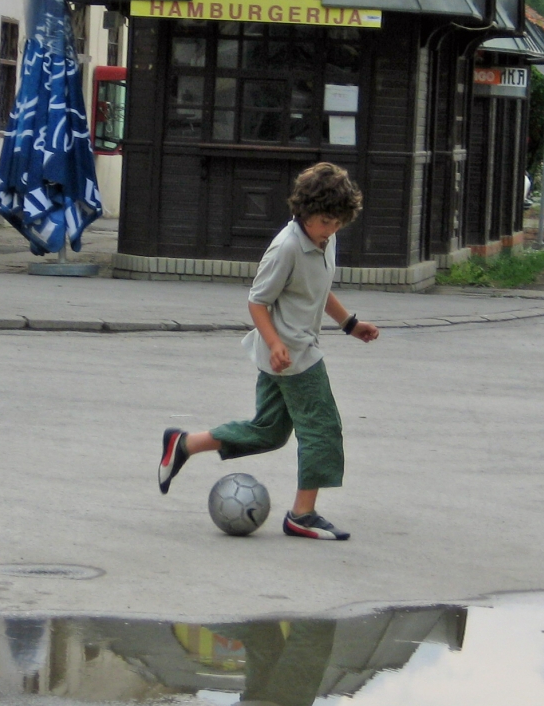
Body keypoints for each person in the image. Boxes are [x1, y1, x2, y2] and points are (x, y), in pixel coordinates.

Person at [157, 162, 379, 541]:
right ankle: (302, 515)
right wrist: (276, 344)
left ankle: (186, 443)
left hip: (288, 353)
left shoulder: (324, 239)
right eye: (326, 221)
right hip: (292, 354)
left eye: (339, 222)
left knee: (270, 431)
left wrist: (349, 324)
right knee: (322, 430)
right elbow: (257, 302)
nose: (332, 229)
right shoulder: (287, 247)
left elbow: (318, 289)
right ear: (305, 212)